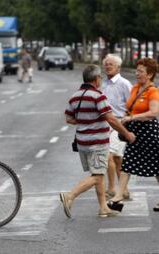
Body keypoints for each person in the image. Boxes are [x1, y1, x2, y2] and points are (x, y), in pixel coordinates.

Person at [60, 64, 135, 218]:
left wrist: (85, 121)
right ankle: (70, 196)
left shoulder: (75, 96)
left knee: (97, 173)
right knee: (98, 176)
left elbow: (69, 118)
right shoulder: (98, 96)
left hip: (82, 143)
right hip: (97, 143)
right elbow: (111, 119)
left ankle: (103, 207)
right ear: (96, 79)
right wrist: (127, 134)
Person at [108, 58, 159, 212]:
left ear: (149, 75)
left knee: (157, 167)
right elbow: (130, 108)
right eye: (136, 71)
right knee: (127, 164)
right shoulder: (135, 88)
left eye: (140, 71)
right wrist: (125, 119)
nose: (137, 74)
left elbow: (154, 112)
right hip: (135, 132)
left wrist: (132, 118)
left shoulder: (153, 91)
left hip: (149, 132)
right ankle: (118, 197)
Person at [101, 54, 133, 200]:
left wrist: (128, 122)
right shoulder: (103, 84)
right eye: (106, 64)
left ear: (118, 67)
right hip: (105, 124)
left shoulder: (124, 83)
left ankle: (112, 188)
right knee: (118, 159)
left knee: (109, 155)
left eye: (111, 64)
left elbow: (132, 104)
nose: (107, 66)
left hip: (119, 123)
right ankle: (124, 190)